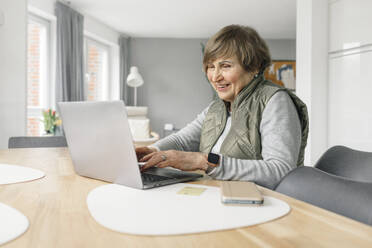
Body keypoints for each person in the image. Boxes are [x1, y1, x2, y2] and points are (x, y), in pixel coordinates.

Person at [136, 24, 309, 189]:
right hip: (217, 193)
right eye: (211, 67)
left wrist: (204, 161)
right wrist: (152, 151)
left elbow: (281, 170)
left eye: (225, 66)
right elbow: (182, 140)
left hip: (261, 203)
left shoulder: (275, 101)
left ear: (254, 66)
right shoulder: (217, 107)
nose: (215, 76)